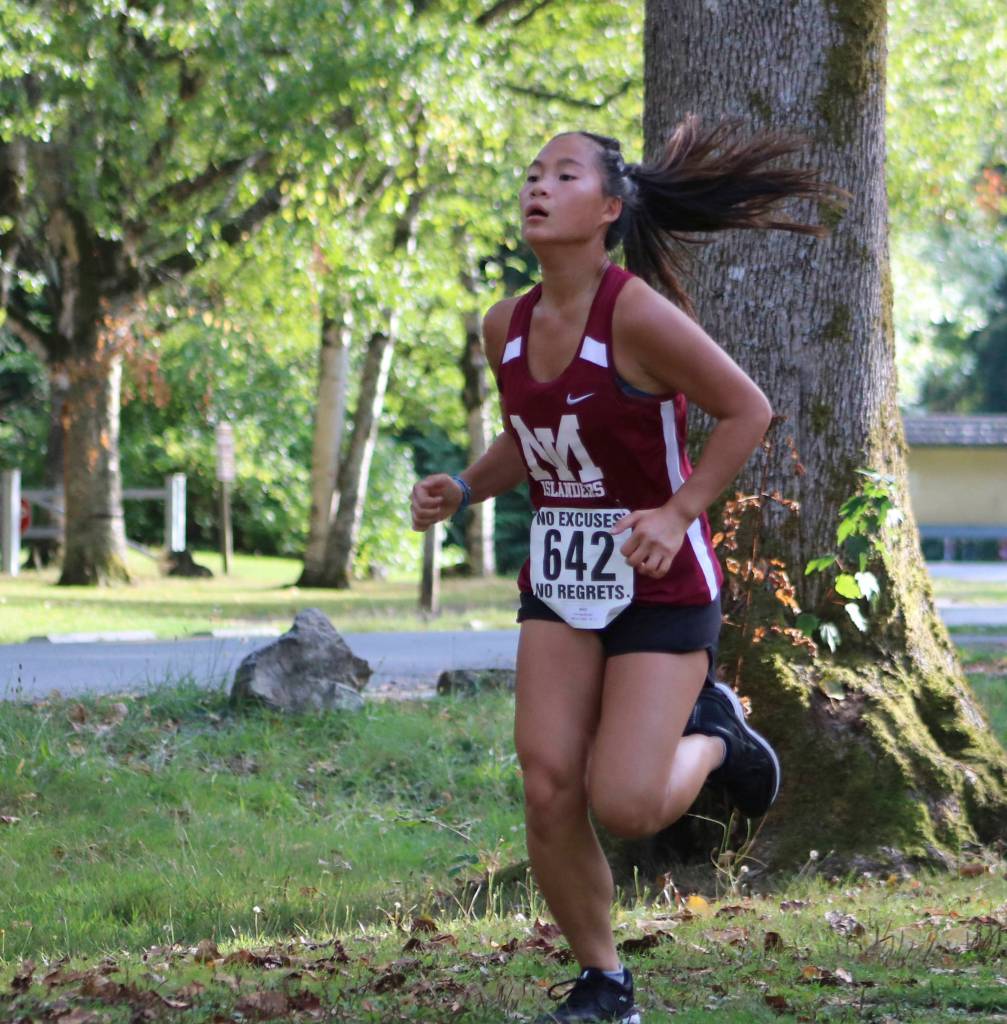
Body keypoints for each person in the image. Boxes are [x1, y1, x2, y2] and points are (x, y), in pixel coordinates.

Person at [411, 115, 845, 1023]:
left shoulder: (636, 312)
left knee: (630, 803)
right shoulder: (505, 325)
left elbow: (746, 410)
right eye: (532, 173)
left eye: (562, 175)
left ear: (608, 209)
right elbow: (537, 438)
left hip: (660, 583)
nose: (537, 187)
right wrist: (464, 485)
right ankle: (604, 982)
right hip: (562, 585)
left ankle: (720, 736)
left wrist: (678, 510)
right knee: (546, 784)